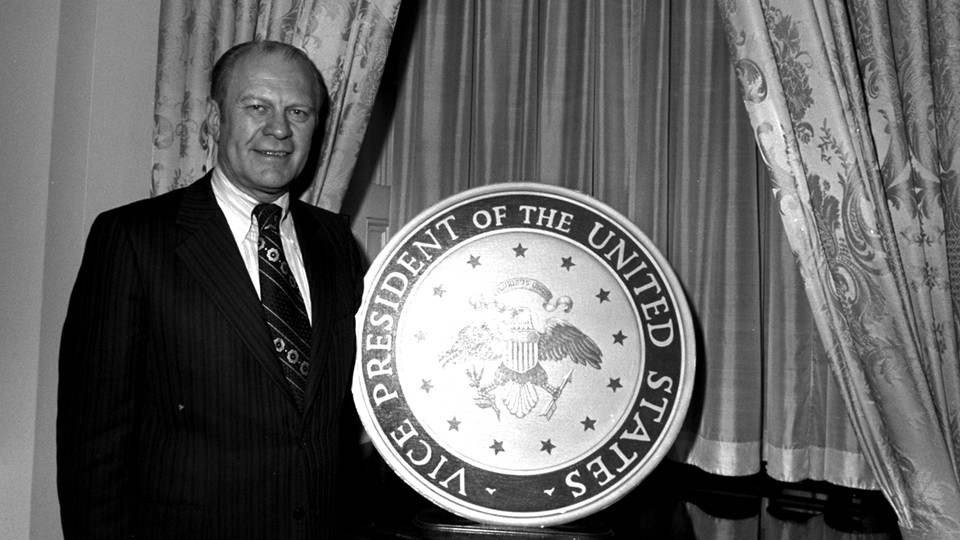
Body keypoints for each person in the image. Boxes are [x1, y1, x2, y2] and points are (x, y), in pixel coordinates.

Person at [57, 40, 364, 539]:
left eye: (298, 112)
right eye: (257, 106)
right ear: (216, 120)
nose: (279, 129)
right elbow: (93, 442)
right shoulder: (135, 239)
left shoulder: (336, 242)